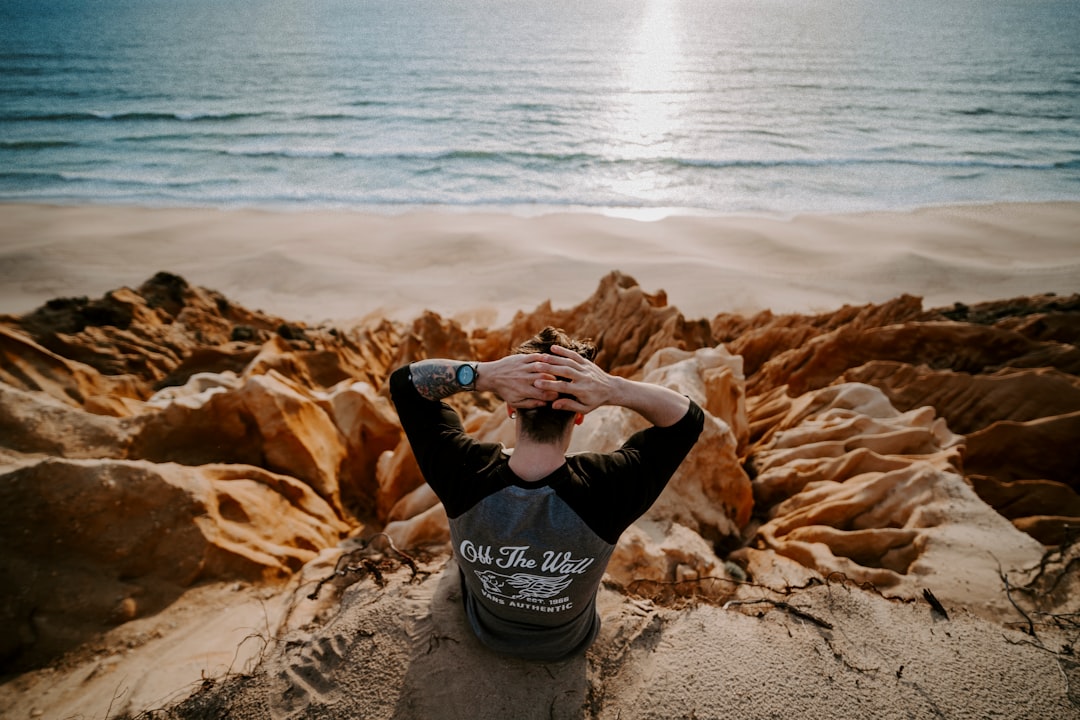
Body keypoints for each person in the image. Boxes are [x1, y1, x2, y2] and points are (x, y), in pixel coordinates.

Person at [389, 327, 703, 662]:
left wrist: (484, 374)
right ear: (580, 415)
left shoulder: (462, 472)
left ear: (511, 408)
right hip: (567, 643)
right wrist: (612, 388)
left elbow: (405, 384)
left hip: (485, 630)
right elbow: (688, 420)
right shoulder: (610, 488)